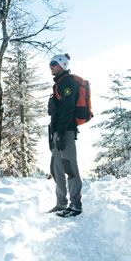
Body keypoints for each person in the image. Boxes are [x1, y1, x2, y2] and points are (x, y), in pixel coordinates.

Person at [47, 53, 83, 217]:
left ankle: (75, 205)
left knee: (69, 167)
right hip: (57, 131)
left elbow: (69, 109)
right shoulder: (59, 84)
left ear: (63, 65)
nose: (51, 66)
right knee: (57, 168)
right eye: (50, 64)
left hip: (65, 131)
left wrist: (61, 133)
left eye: (54, 63)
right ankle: (61, 203)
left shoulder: (67, 82)